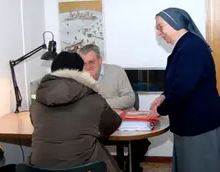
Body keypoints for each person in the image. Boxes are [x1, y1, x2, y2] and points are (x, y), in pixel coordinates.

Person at [148, 7, 220, 172]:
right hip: (190, 121)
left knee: (199, 165)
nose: (159, 33)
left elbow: (182, 89)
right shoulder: (185, 46)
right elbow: (179, 81)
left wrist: (160, 109)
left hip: (198, 123)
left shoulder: (191, 48)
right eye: (157, 28)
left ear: (175, 23)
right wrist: (164, 96)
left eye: (161, 27)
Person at [30, 52, 122, 172]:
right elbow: (112, 125)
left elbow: (35, 123)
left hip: (39, 169)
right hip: (82, 168)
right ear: (80, 72)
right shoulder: (94, 100)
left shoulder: (37, 102)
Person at [78, 44, 151, 172]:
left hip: (120, 120)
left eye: (91, 62)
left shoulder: (117, 72)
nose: (88, 67)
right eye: (84, 63)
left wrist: (102, 104)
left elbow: (130, 98)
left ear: (100, 60)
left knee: (141, 142)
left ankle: (130, 167)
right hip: (94, 123)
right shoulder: (79, 77)